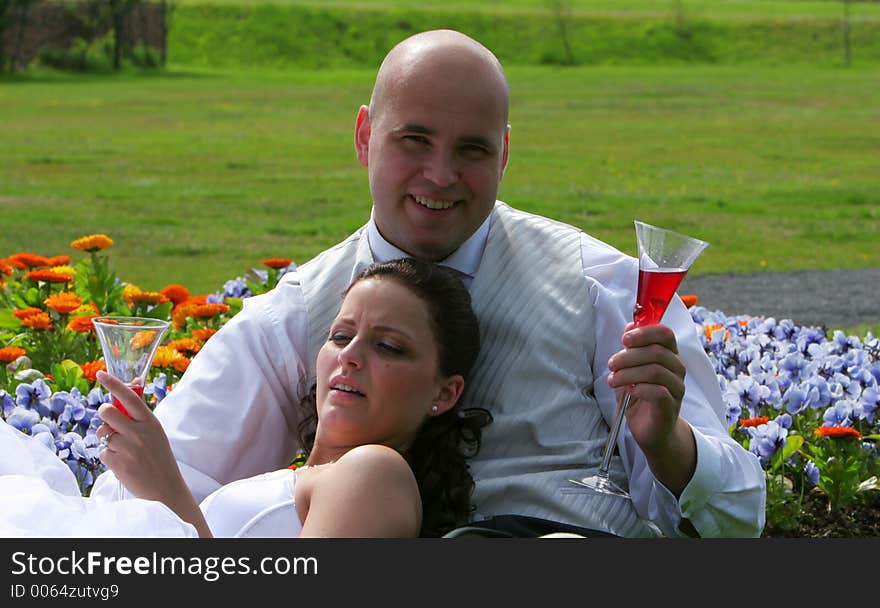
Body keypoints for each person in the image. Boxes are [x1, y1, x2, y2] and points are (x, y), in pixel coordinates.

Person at [93, 29, 767, 538]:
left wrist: (666, 445)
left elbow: (742, 513)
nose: (441, 175)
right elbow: (144, 499)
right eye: (414, 141)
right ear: (364, 136)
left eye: (471, 150)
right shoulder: (294, 316)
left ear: (503, 152)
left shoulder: (602, 284)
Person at [0, 259, 489, 538]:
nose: (351, 357)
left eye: (388, 346)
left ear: (444, 394)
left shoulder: (375, 475)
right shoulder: (298, 476)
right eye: (340, 336)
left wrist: (167, 492)